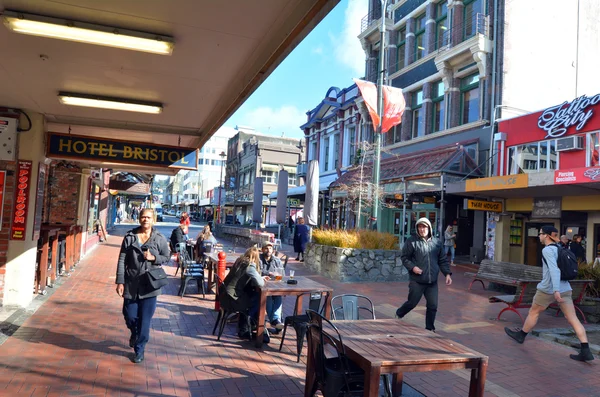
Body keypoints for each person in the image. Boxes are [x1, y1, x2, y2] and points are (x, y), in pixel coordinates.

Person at [505, 226, 594, 362]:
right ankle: (585, 350)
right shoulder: (562, 247)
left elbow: (554, 270)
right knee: (573, 319)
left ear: (546, 236)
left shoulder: (547, 250)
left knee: (533, 312)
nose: (539, 236)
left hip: (548, 289)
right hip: (566, 288)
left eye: (540, 234)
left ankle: (521, 335)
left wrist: (555, 290)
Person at [115, 208, 170, 363]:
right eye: (143, 217)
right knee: (130, 315)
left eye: (149, 217)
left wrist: (154, 258)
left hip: (150, 285)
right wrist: (120, 281)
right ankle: (134, 332)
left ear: (153, 220)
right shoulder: (130, 237)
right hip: (132, 283)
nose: (146, 219)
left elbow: (167, 257)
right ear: (139, 219)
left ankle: (140, 349)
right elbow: (122, 259)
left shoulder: (159, 238)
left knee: (145, 321)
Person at [396, 217, 452, 332]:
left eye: (424, 227)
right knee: (412, 303)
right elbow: (404, 257)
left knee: (433, 306)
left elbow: (442, 260)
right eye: (420, 227)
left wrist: (447, 274)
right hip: (417, 280)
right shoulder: (411, 241)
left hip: (432, 282)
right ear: (417, 229)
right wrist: (413, 267)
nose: (422, 229)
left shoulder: (437, 243)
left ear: (429, 228)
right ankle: (399, 313)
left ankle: (429, 329)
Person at [219, 247, 270, 341]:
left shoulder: (240, 261)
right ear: (255, 257)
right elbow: (260, 284)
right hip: (231, 299)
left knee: (252, 296)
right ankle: (247, 327)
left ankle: (249, 325)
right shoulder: (249, 266)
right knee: (257, 299)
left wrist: (259, 277)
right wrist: (260, 278)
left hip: (224, 296)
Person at [259, 241, 285, 332]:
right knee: (268, 297)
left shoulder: (277, 260)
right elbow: (258, 272)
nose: (268, 250)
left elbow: (282, 274)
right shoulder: (259, 259)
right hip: (262, 286)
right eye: (266, 248)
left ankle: (275, 320)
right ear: (262, 250)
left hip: (275, 285)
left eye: (270, 248)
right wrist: (269, 273)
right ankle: (275, 320)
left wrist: (279, 276)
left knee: (278, 295)